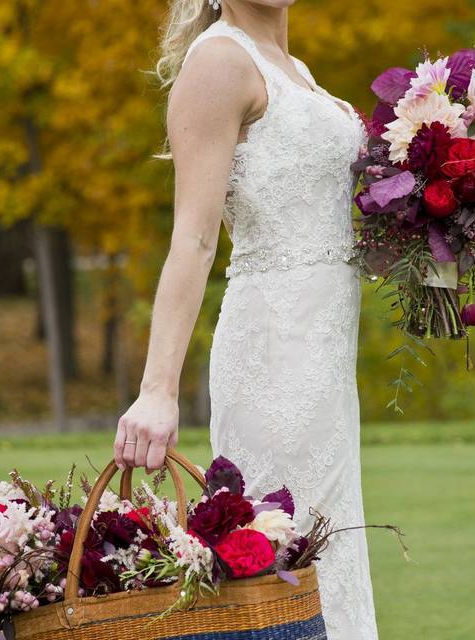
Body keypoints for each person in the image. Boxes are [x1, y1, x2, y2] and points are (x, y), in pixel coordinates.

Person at [113, 0, 378, 636]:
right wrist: (157, 390)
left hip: (326, 361)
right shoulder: (220, 64)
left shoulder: (296, 70)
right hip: (274, 351)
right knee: (282, 555)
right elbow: (195, 239)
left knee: (330, 545)